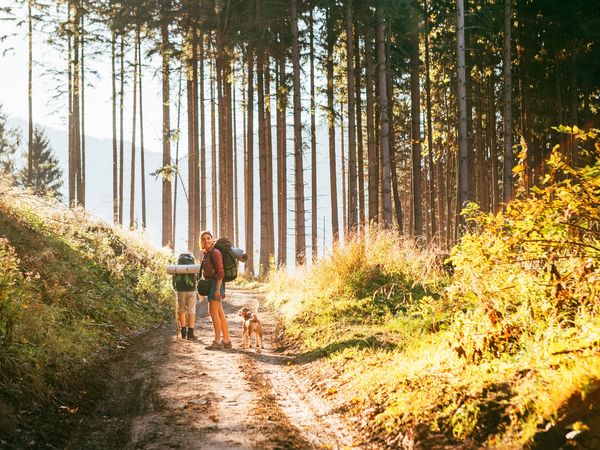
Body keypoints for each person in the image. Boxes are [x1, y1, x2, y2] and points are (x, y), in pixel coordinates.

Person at [200, 230, 231, 350]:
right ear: (201, 242)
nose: (206, 240)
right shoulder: (207, 253)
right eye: (203, 239)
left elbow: (221, 272)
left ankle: (218, 341)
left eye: (208, 238)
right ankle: (226, 340)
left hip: (216, 284)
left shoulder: (215, 252)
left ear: (212, 240)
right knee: (219, 313)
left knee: (213, 313)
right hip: (213, 284)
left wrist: (218, 289)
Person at [172, 252, 198, 340]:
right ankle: (190, 333)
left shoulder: (178, 266)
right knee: (191, 311)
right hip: (191, 290)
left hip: (180, 290)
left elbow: (174, 278)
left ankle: (183, 331)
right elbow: (197, 277)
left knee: (181, 310)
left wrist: (175, 288)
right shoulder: (192, 265)